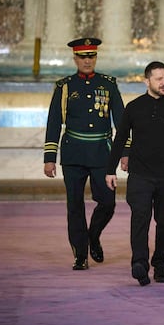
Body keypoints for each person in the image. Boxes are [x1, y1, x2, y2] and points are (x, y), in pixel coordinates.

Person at [106, 61, 164, 286]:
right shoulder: (134, 107)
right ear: (147, 81)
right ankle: (140, 263)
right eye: (159, 79)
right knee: (140, 218)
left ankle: (161, 264)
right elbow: (120, 138)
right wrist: (110, 169)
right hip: (140, 175)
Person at [44, 37, 125, 270]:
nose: (87, 60)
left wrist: (125, 152)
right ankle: (80, 254)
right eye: (83, 56)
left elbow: (121, 120)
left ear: (96, 57)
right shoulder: (64, 86)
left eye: (91, 56)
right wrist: (50, 158)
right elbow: (53, 123)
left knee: (107, 203)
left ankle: (93, 236)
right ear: (75, 58)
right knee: (75, 206)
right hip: (73, 154)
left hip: (102, 153)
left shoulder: (108, 84)